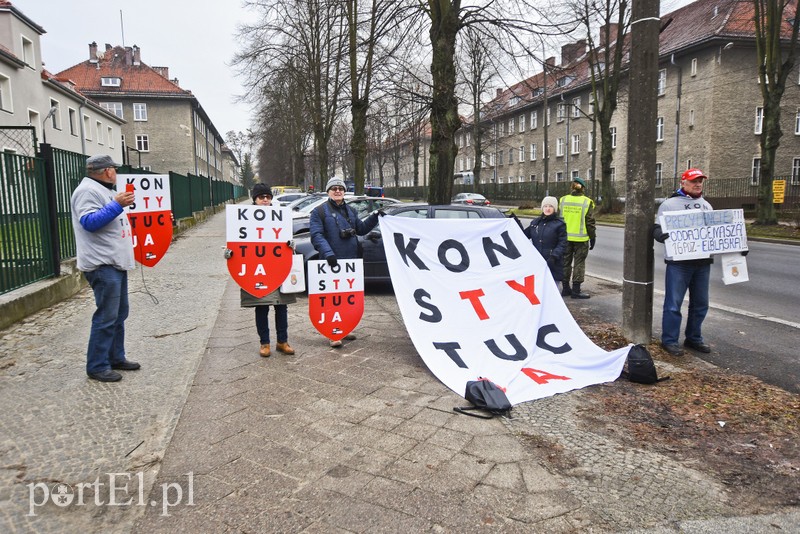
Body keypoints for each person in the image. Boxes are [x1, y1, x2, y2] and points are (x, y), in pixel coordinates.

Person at [70, 154, 140, 382]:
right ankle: (97, 365)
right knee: (106, 316)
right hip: (102, 264)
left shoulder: (104, 190)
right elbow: (89, 223)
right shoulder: (87, 191)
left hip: (114, 262)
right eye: (114, 170)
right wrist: (116, 205)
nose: (116, 173)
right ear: (108, 171)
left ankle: (115, 357)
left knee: (119, 314)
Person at [309, 176, 381, 347]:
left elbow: (361, 229)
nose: (338, 191)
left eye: (340, 188)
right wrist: (328, 254)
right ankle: (333, 333)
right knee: (331, 299)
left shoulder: (350, 210)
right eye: (334, 188)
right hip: (331, 261)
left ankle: (345, 328)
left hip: (350, 261)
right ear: (328, 191)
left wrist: (376, 216)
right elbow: (316, 236)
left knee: (347, 298)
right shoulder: (318, 212)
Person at [652, 168, 715, 357]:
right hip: (679, 263)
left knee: (701, 303)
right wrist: (660, 235)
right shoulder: (669, 205)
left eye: (700, 181)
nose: (698, 184)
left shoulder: (706, 205)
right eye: (694, 181)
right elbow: (656, 228)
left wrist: (737, 245)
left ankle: (694, 338)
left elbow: (716, 232)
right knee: (673, 303)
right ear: (683, 183)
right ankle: (669, 340)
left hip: (703, 262)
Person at [232, 183, 297, 358]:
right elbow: (236, 241)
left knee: (281, 307)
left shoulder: (279, 216)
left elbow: (286, 238)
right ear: (255, 199)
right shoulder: (243, 217)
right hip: (257, 270)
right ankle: (264, 343)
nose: (266, 200)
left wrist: (290, 244)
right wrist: (229, 253)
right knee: (261, 308)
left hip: (277, 267)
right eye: (262, 197)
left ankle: (282, 341)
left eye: (268, 197)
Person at [559, 177, 596, 299]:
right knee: (579, 263)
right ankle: (576, 290)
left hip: (565, 238)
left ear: (572, 187)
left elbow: (559, 218)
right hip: (581, 239)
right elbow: (589, 222)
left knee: (565, 262)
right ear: (583, 189)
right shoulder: (587, 202)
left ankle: (565, 288)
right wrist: (593, 237)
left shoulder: (563, 200)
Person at [524, 196, 567, 285]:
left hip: (553, 263)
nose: (547, 209)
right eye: (545, 206)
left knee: (552, 291)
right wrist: (515, 224)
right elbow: (523, 236)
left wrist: (554, 257)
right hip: (537, 262)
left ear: (554, 208)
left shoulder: (559, 224)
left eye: (550, 206)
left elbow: (562, 243)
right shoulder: (535, 223)